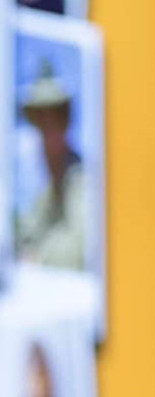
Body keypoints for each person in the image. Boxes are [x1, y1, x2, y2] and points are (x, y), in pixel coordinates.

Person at [16, 58, 89, 271]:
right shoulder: (47, 192)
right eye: (40, 125)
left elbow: (83, 245)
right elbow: (26, 234)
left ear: (65, 123)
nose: (46, 137)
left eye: (51, 123)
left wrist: (37, 257)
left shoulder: (81, 179)